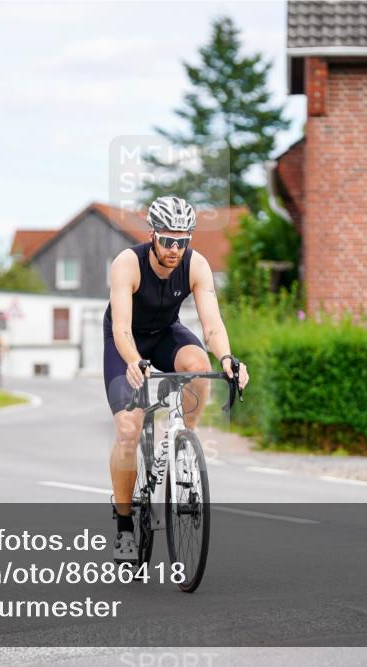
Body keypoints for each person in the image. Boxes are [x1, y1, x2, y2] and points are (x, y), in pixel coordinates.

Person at [104, 196, 249, 564]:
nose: (174, 249)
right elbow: (121, 328)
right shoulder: (127, 264)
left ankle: (184, 436)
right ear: (152, 234)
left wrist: (229, 359)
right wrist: (136, 361)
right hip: (126, 342)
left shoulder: (196, 265)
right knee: (127, 429)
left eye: (183, 241)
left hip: (167, 333)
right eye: (167, 240)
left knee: (198, 362)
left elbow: (212, 325)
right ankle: (123, 525)